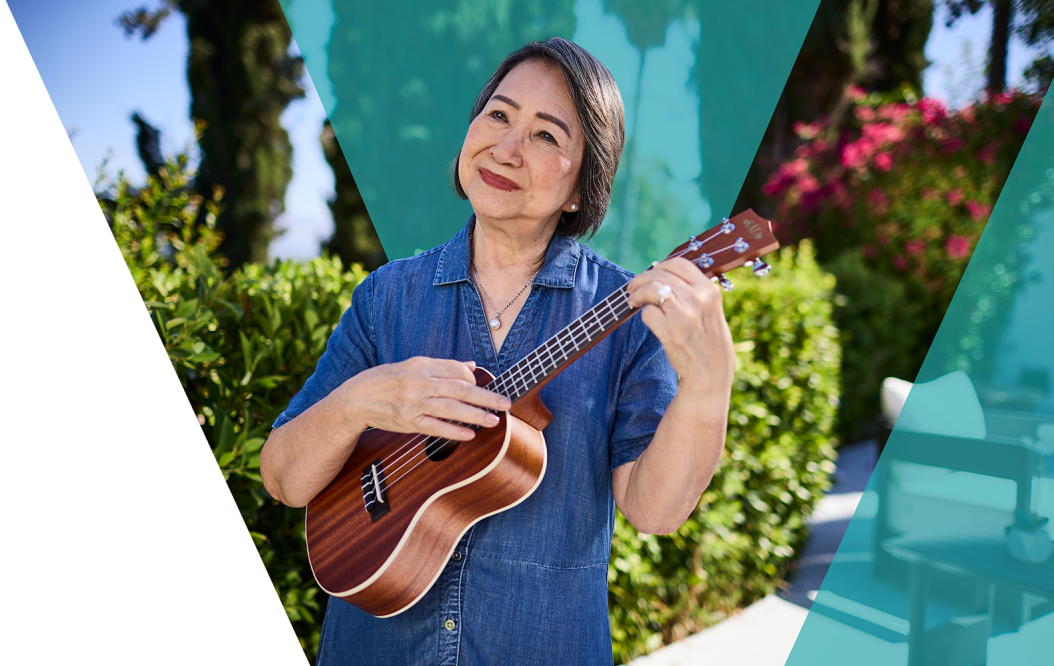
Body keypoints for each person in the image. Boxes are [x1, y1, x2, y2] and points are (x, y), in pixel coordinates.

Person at [260, 36, 735, 665]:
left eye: (546, 136)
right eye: (499, 115)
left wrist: (708, 388)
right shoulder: (387, 297)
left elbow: (656, 510)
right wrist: (360, 402)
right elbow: (284, 478)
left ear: (579, 188)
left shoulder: (626, 314)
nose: (507, 148)